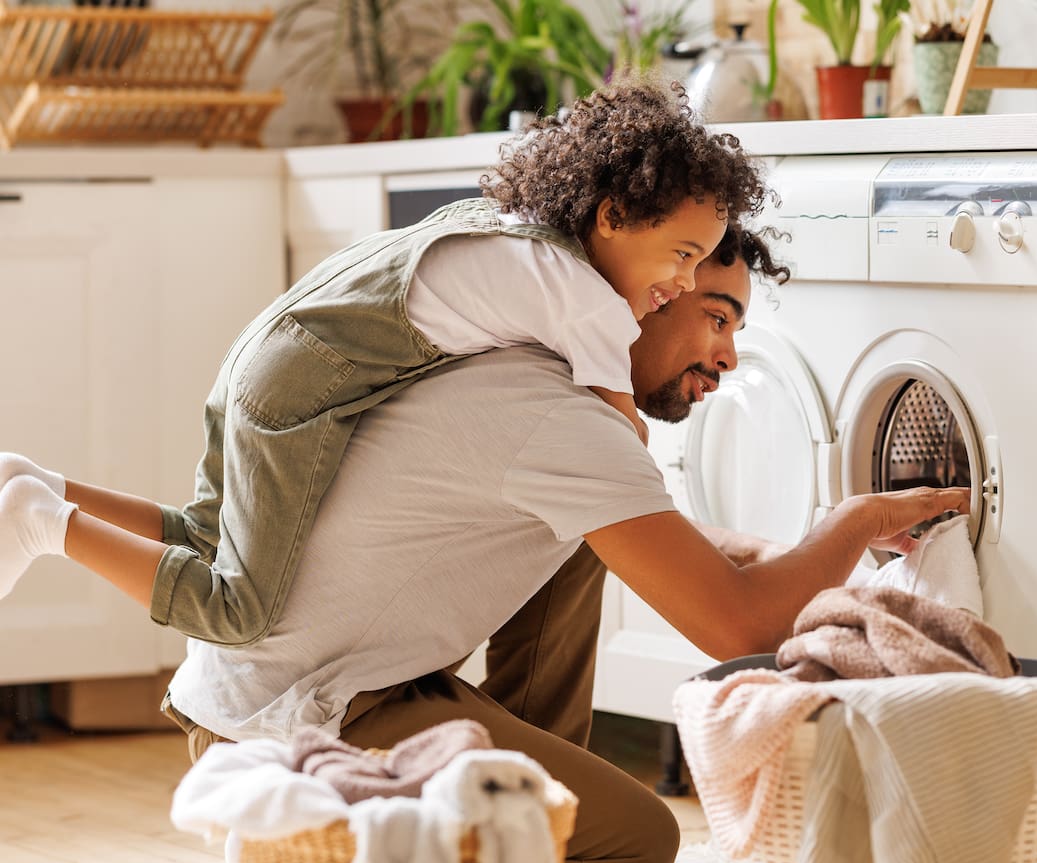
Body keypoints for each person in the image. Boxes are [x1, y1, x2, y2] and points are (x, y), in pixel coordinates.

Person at [161, 227, 957, 863]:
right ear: (652, 294)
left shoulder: (534, 376)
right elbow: (739, 621)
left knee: (584, 546)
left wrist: (826, 556)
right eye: (718, 317)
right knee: (635, 846)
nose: (730, 356)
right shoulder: (556, 420)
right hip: (303, 718)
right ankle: (519, 851)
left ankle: (521, 823)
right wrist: (859, 515)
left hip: (322, 681)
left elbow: (670, 540)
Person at [0, 77, 768, 648]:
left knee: (205, 534)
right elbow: (621, 446)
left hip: (264, 356)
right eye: (682, 255)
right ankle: (43, 523)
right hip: (301, 392)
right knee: (240, 612)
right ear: (613, 216)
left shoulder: (519, 233)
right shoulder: (584, 300)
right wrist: (714, 551)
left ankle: (31, 480)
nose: (679, 281)